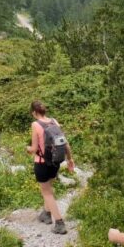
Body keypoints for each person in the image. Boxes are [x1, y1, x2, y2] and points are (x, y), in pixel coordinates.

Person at [27, 100, 75, 234]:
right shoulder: (54, 121)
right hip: (55, 162)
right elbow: (65, 143)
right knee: (49, 188)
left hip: (41, 163)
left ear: (34, 113)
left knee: (47, 192)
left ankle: (59, 223)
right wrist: (70, 159)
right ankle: (46, 214)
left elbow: (35, 148)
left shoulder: (35, 124)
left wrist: (28, 148)